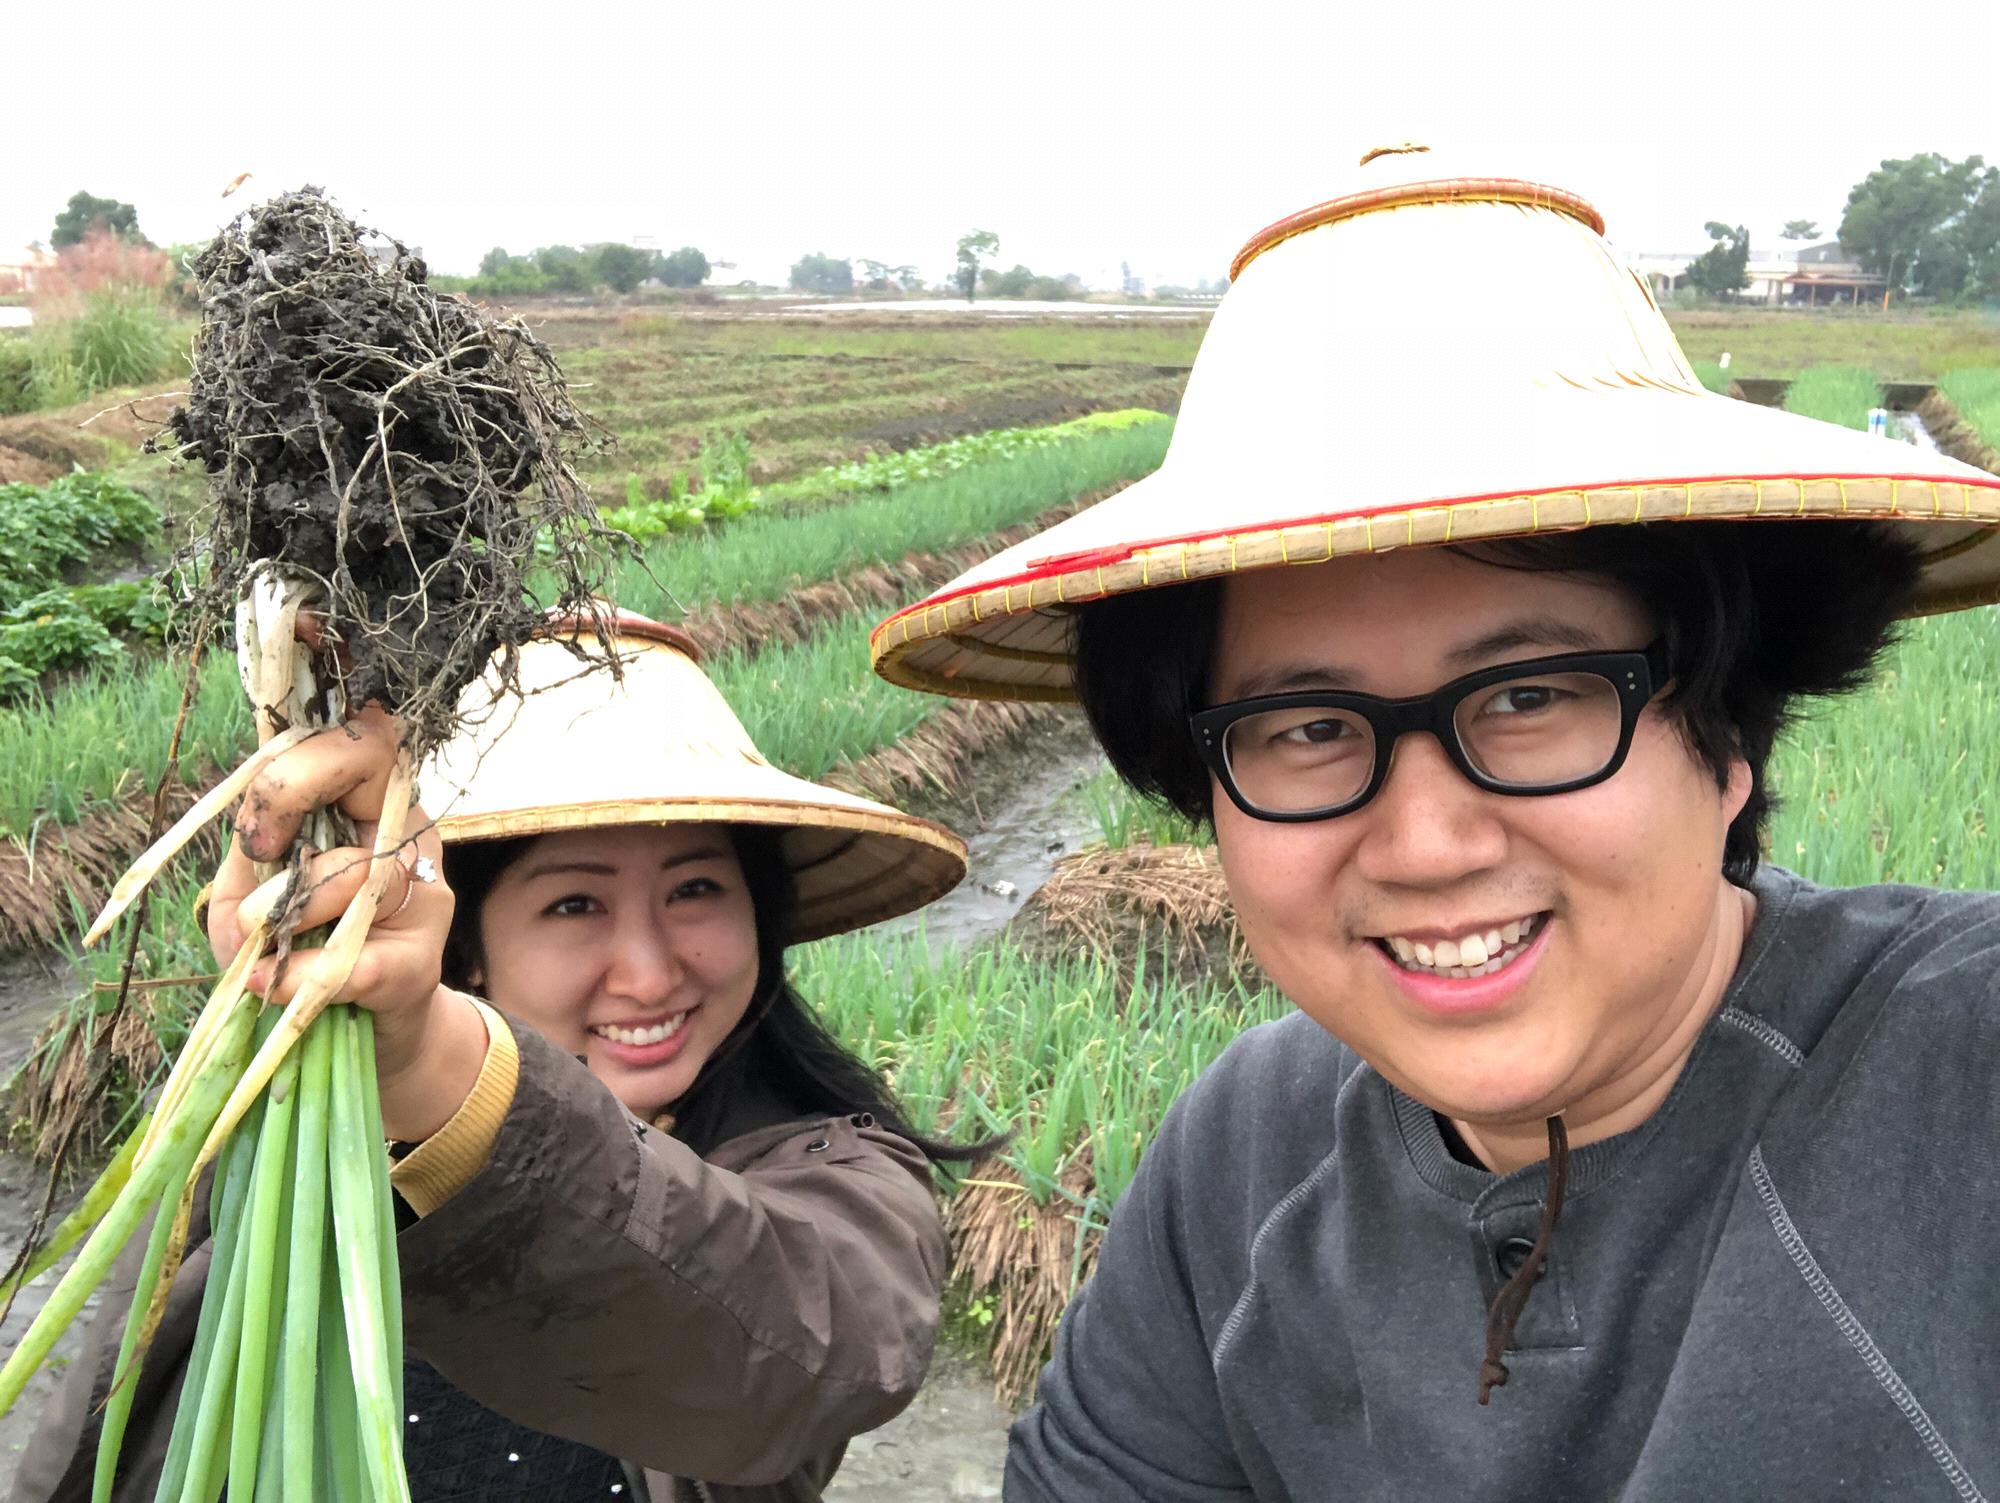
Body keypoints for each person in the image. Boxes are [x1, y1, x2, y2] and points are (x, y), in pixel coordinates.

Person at [871, 145, 2000, 1498]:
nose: (1424, 843)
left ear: (1731, 734)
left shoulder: (1958, 1079)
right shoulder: (1242, 1159)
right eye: (1303, 727)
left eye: (1531, 694)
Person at [17, 611, 987, 1503]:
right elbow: (92, 1424)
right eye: (574, 904)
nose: (650, 975)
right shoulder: (267, 1143)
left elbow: (811, 1368)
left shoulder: (831, 1176)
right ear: (462, 937)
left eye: (696, 889)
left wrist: (435, 1064)